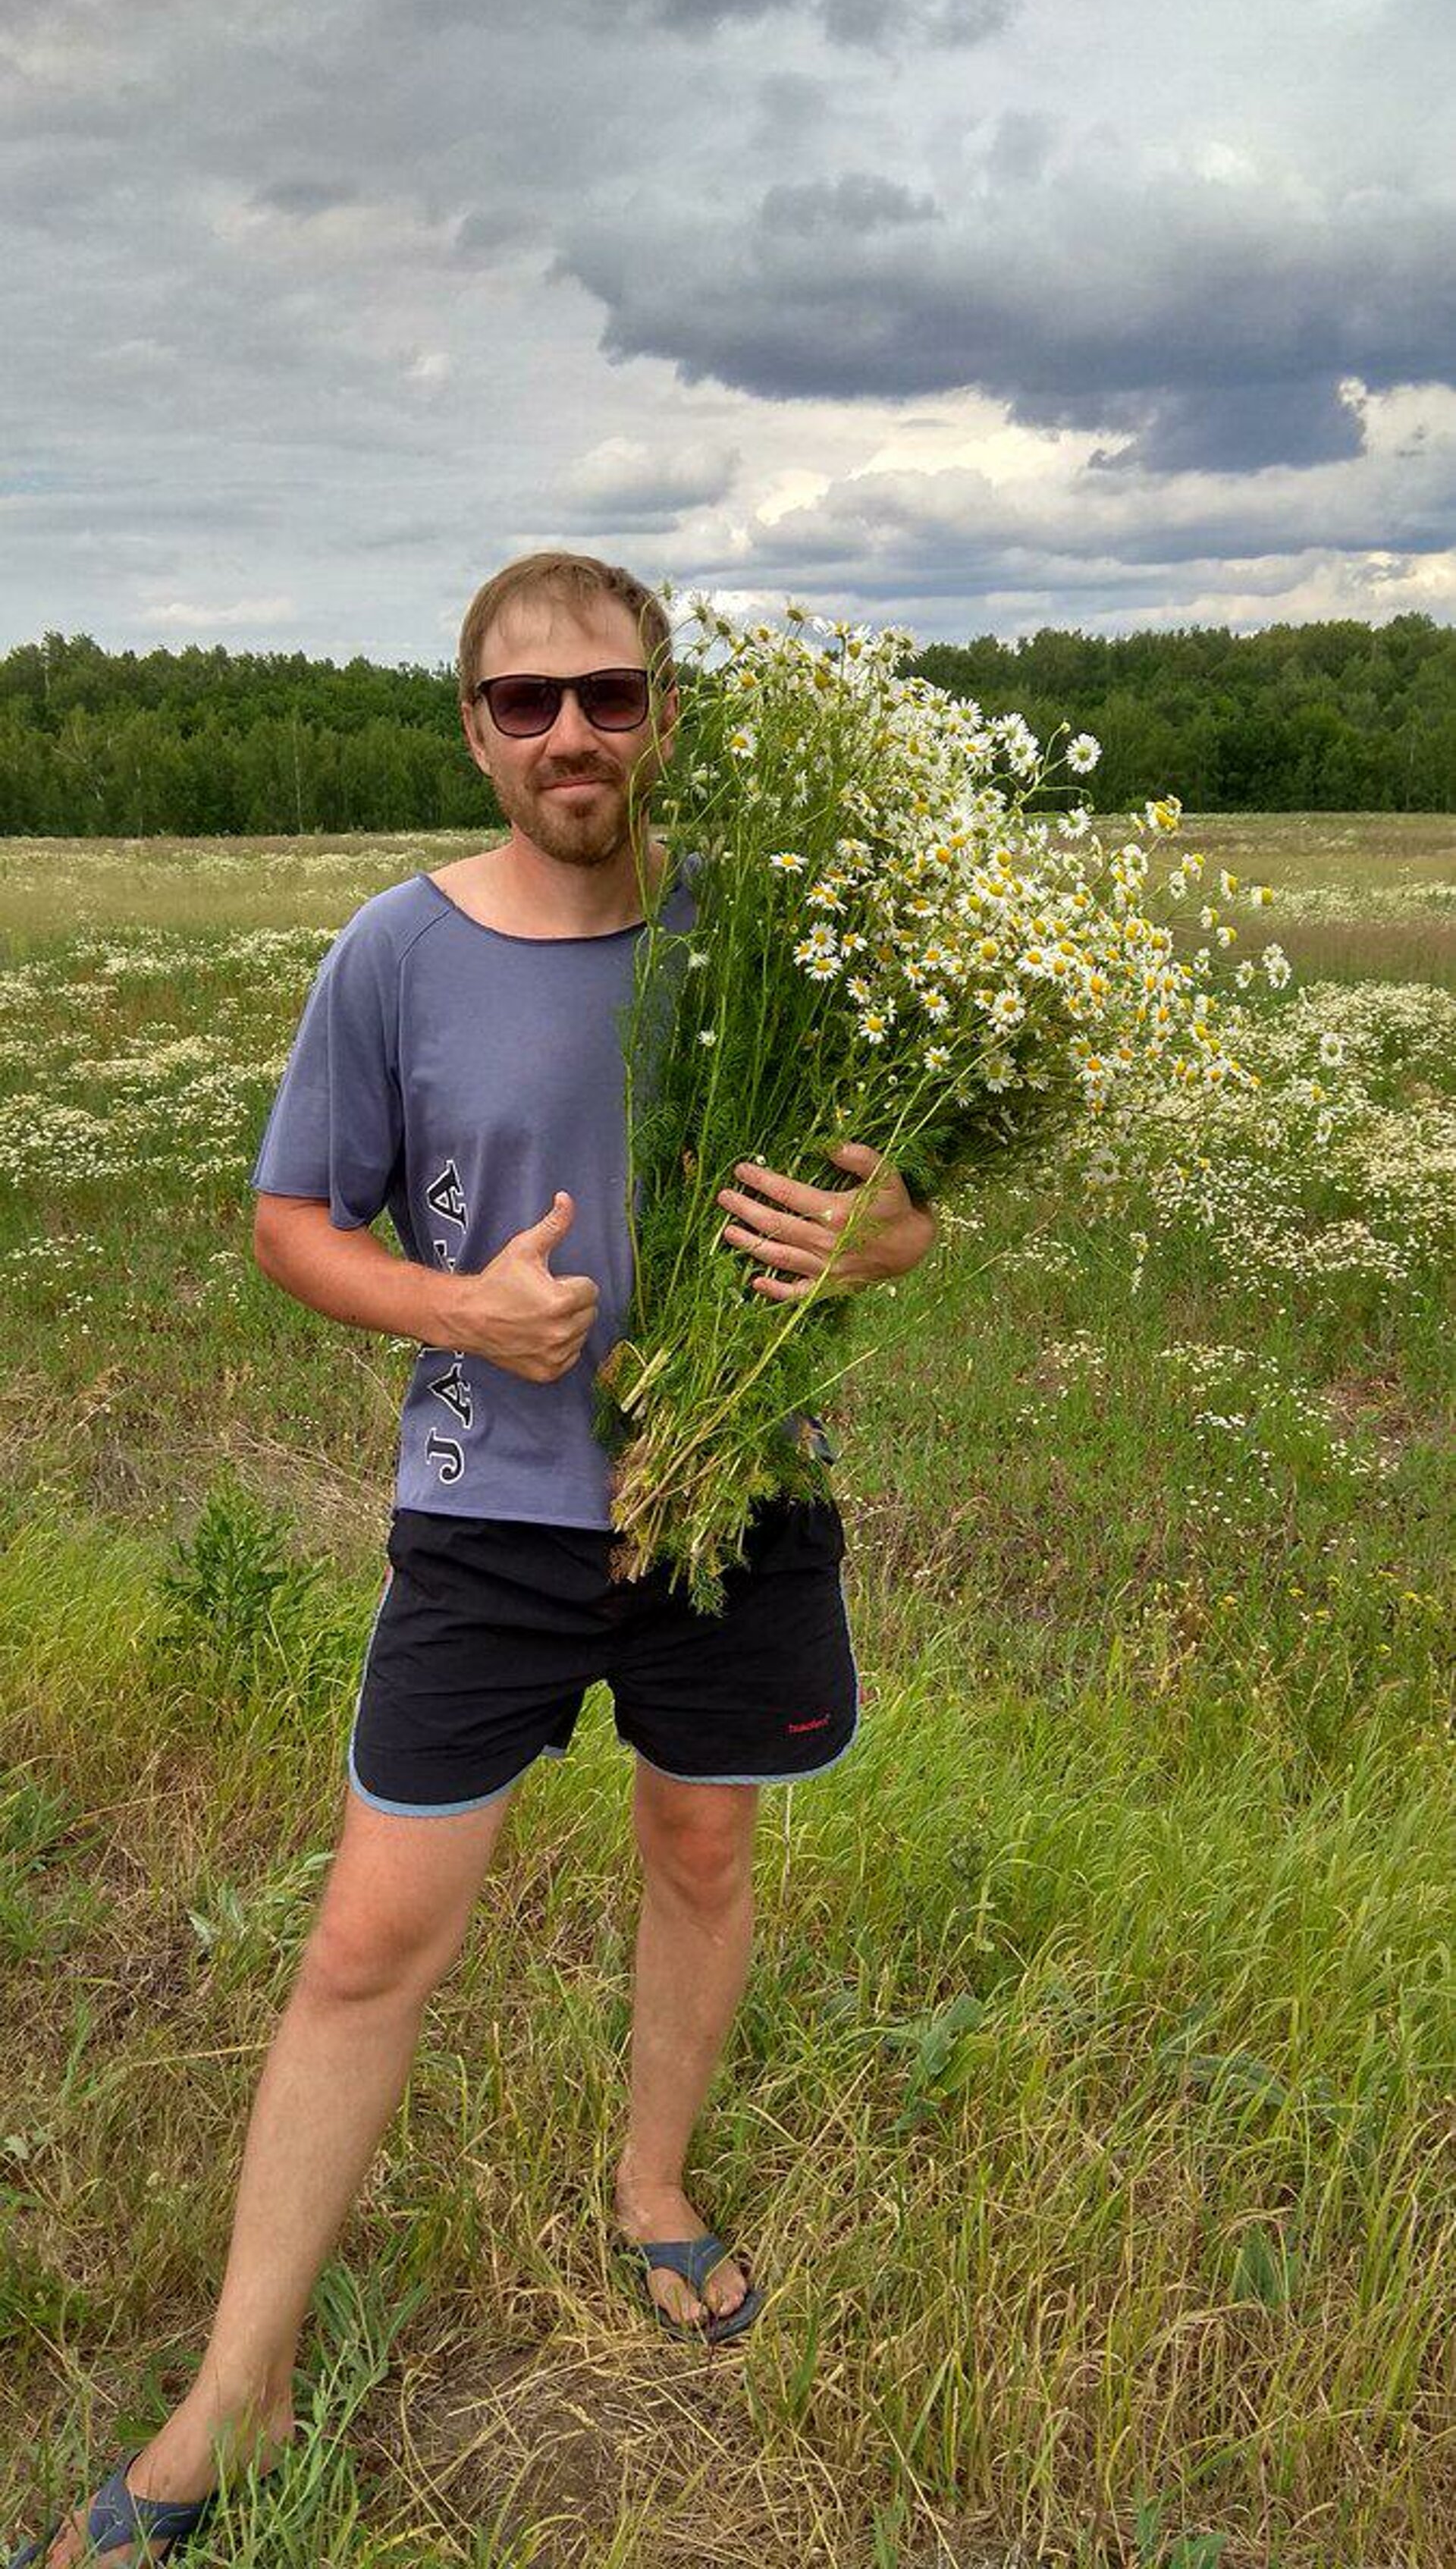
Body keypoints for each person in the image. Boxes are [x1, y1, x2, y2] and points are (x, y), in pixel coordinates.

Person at [9, 551, 937, 2568]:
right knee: (368, 1939)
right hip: (487, 1517)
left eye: (609, 696)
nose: (573, 736)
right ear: (475, 729)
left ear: (669, 711)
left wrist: (889, 1241)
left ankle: (653, 2190)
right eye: (528, 704)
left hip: (736, 1502)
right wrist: (461, 1315)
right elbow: (290, 1225)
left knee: (704, 1846)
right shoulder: (396, 955)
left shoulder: (775, 936)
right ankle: (233, 2399)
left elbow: (903, 1200)